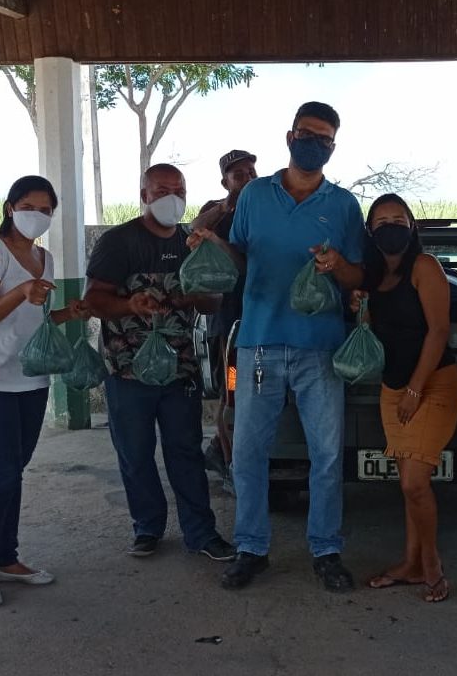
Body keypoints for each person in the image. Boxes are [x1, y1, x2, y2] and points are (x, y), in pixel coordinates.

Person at [191, 102, 364, 592]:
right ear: (289, 136)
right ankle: (251, 548)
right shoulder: (255, 196)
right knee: (247, 453)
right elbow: (242, 258)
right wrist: (210, 244)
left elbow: (358, 275)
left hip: (321, 347)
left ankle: (326, 550)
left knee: (326, 456)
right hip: (259, 344)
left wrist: (337, 267)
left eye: (325, 138)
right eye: (308, 134)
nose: (315, 143)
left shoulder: (344, 205)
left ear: (334, 145)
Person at [84, 163, 235, 562]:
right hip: (128, 370)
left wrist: (193, 297)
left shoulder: (191, 241)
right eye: (161, 189)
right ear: (144, 196)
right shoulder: (118, 242)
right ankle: (147, 527)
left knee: (185, 450)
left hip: (180, 369)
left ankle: (201, 533)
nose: (172, 197)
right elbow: (94, 300)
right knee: (135, 452)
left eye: (179, 189)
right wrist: (127, 304)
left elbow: (213, 300)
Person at [0, 175, 89, 607]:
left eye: (48, 210)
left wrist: (71, 312)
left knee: (15, 470)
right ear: (11, 207)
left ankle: (6, 558)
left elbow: (37, 322)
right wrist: (21, 291)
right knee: (3, 473)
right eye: (32, 207)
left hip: (29, 378)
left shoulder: (44, 259)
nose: (40, 216)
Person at [353, 193, 457, 604]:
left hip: (432, 384)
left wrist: (416, 389)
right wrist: (359, 307)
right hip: (392, 387)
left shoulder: (425, 266)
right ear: (371, 231)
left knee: (415, 483)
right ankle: (410, 562)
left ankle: (431, 562)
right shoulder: (375, 276)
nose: (391, 226)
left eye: (399, 218)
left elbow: (437, 331)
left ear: (412, 226)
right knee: (407, 485)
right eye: (381, 221)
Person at [192, 149, 258, 484]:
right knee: (230, 392)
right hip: (228, 318)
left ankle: (222, 450)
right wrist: (224, 207)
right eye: (239, 174)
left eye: (251, 171)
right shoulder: (215, 211)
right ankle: (231, 464)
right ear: (225, 181)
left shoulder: (262, 209)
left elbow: (248, 262)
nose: (248, 177)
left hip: (261, 315)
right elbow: (193, 227)